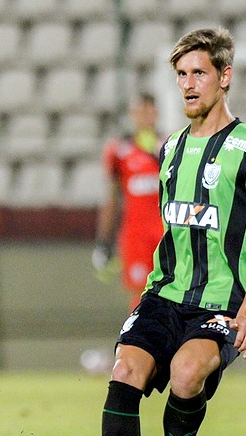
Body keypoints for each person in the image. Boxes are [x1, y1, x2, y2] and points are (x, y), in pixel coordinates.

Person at [78, 27, 246, 436]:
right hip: (166, 292)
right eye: (182, 76)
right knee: (125, 371)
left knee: (188, 373)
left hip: (224, 302)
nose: (189, 85)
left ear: (224, 78)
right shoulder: (169, 150)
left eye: (199, 73)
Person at [92, 93, 165, 311]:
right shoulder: (119, 152)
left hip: (166, 234)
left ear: (156, 113)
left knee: (172, 293)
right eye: (140, 111)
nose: (145, 116)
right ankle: (140, 343)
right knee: (140, 295)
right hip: (136, 234)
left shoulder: (172, 146)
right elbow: (111, 198)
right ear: (132, 114)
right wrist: (104, 241)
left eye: (149, 110)